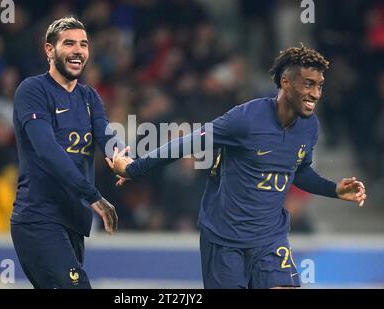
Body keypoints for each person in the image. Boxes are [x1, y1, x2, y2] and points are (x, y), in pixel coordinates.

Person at [106, 46, 367, 289]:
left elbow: (298, 170)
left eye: (319, 86)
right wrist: (134, 169)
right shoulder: (245, 119)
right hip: (225, 240)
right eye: (308, 84)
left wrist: (334, 189)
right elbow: (189, 143)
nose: (316, 94)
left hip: (269, 240)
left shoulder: (310, 127)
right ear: (285, 83)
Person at [11, 17, 119, 289]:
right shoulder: (32, 91)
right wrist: (92, 195)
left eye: (83, 44)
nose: (78, 50)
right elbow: (47, 151)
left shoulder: (89, 97)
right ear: (50, 50)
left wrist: (121, 158)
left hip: (73, 221)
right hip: (39, 218)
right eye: (69, 43)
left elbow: (105, 136)